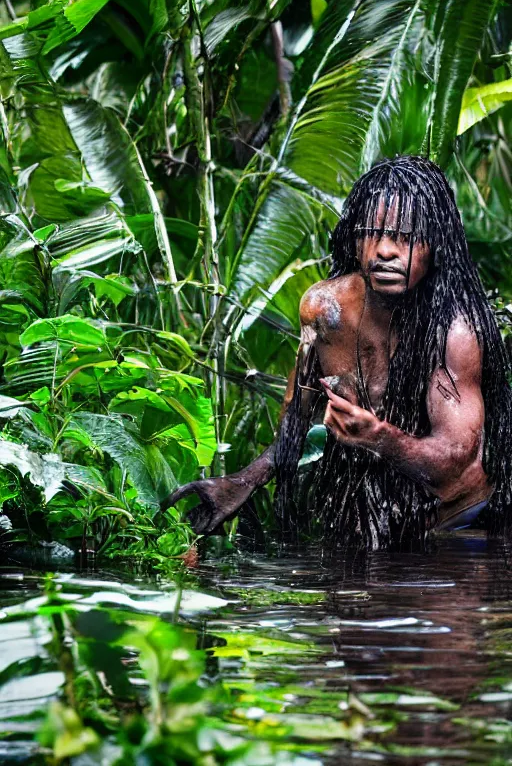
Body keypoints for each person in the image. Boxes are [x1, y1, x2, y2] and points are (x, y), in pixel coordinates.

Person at [163, 156, 512, 548]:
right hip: (381, 522)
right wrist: (241, 483)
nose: (383, 251)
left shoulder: (454, 332)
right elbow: (297, 420)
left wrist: (379, 436)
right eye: (371, 233)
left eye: (402, 236)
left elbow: (455, 462)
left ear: (434, 245)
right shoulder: (325, 311)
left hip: (461, 522)